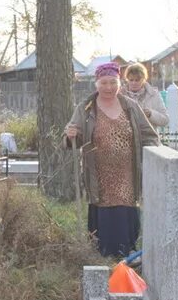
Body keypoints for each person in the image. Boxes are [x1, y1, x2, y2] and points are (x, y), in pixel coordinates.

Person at [66, 62, 160, 257]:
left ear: (119, 83)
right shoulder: (86, 107)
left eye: (113, 82)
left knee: (125, 210)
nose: (108, 87)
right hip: (98, 172)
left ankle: (126, 254)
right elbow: (73, 135)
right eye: (104, 83)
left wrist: (151, 155)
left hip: (127, 172)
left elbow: (149, 135)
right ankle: (104, 255)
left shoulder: (131, 107)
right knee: (103, 210)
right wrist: (71, 135)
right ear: (96, 83)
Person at [120, 62, 169, 129]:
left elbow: (165, 120)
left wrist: (151, 114)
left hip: (149, 137)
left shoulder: (153, 94)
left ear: (143, 79)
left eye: (137, 80)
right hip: (128, 137)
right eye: (131, 80)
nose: (134, 83)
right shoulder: (121, 95)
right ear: (127, 80)